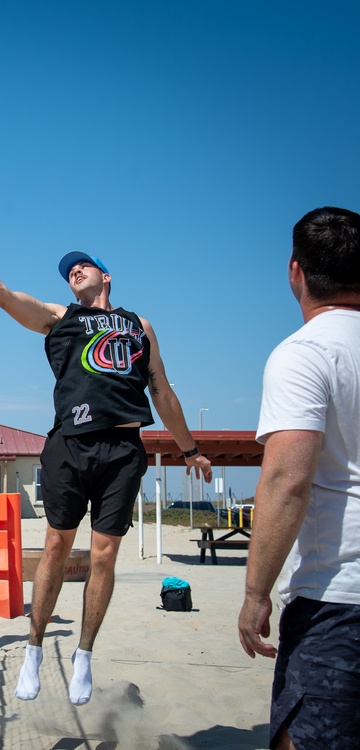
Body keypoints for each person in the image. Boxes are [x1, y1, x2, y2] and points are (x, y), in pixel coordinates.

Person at [0, 218, 212, 705]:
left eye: (84, 265)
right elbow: (3, 297)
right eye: (69, 270)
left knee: (104, 555)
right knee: (57, 548)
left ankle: (83, 654)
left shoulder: (139, 326)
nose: (75, 270)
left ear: (107, 275)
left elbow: (161, 390)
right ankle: (34, 649)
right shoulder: (62, 318)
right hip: (70, 444)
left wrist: (190, 448)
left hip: (123, 449)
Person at [237, 207, 360, 750]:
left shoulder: (304, 353)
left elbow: (288, 479)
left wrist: (255, 593)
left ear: (296, 271)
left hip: (338, 596)